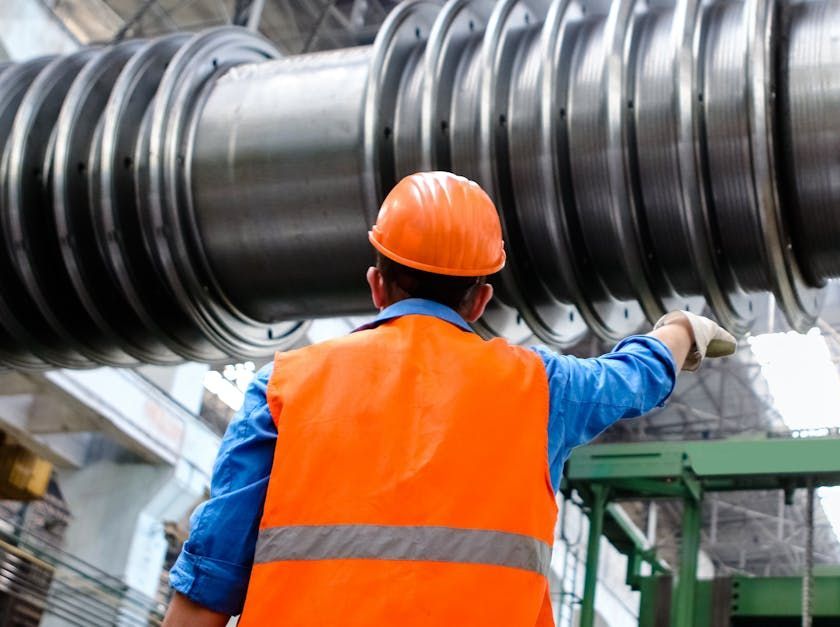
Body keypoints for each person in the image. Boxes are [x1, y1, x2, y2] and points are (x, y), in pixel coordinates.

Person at [162, 171, 735, 626]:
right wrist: (680, 330)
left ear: (376, 283)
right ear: (481, 299)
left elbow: (208, 584)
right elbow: (631, 378)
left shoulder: (285, 385)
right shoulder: (542, 389)